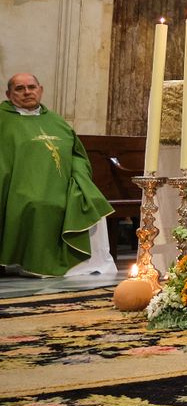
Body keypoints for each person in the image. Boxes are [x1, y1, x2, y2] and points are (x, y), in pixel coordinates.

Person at [1, 74, 115, 277]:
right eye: (19, 89)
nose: (27, 92)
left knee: (93, 203)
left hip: (64, 185)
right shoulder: (3, 120)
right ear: (8, 94)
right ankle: (30, 262)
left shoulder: (56, 121)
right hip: (20, 187)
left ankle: (84, 264)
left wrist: (80, 180)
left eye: (31, 87)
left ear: (41, 90)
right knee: (37, 204)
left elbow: (77, 155)